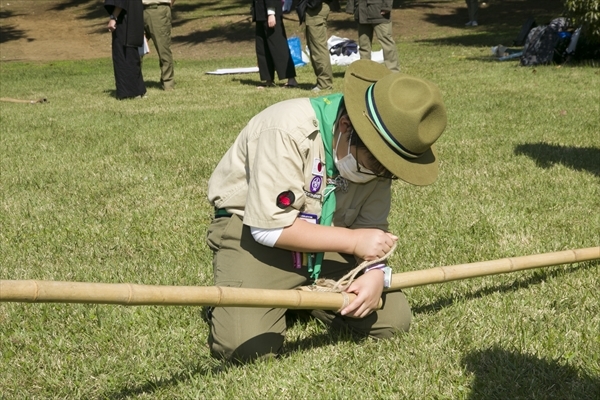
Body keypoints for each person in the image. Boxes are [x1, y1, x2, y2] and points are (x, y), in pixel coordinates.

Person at [206, 59, 447, 362]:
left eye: (390, 170)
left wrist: (374, 274)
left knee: (393, 321)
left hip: (328, 240)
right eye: (376, 163)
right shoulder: (286, 128)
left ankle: (304, 294)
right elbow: (269, 228)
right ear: (346, 127)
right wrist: (354, 243)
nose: (379, 175)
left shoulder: (380, 162)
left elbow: (370, 227)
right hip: (254, 236)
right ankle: (251, 295)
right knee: (246, 347)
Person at [105, 0, 147, 100]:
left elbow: (120, 1)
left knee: (123, 54)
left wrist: (113, 17)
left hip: (124, 20)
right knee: (132, 53)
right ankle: (138, 89)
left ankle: (129, 92)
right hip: (134, 17)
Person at [252, 0, 298, 88]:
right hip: (260, 12)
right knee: (262, 48)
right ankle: (268, 79)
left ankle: (291, 79)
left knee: (278, 47)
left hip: (271, 13)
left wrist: (271, 13)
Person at [348, 0, 400, 72]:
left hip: (380, 12)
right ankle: (364, 71)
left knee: (387, 43)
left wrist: (387, 6)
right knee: (364, 46)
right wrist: (350, 6)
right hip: (361, 12)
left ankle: (393, 72)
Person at [297, 0, 334, 91]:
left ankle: (324, 83)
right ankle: (322, 81)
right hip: (314, 8)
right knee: (314, 47)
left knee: (318, 48)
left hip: (316, 8)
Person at [142, 0, 175, 91]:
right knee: (135, 49)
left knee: (163, 49)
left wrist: (168, 5)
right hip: (137, 10)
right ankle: (135, 83)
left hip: (158, 9)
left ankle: (167, 83)